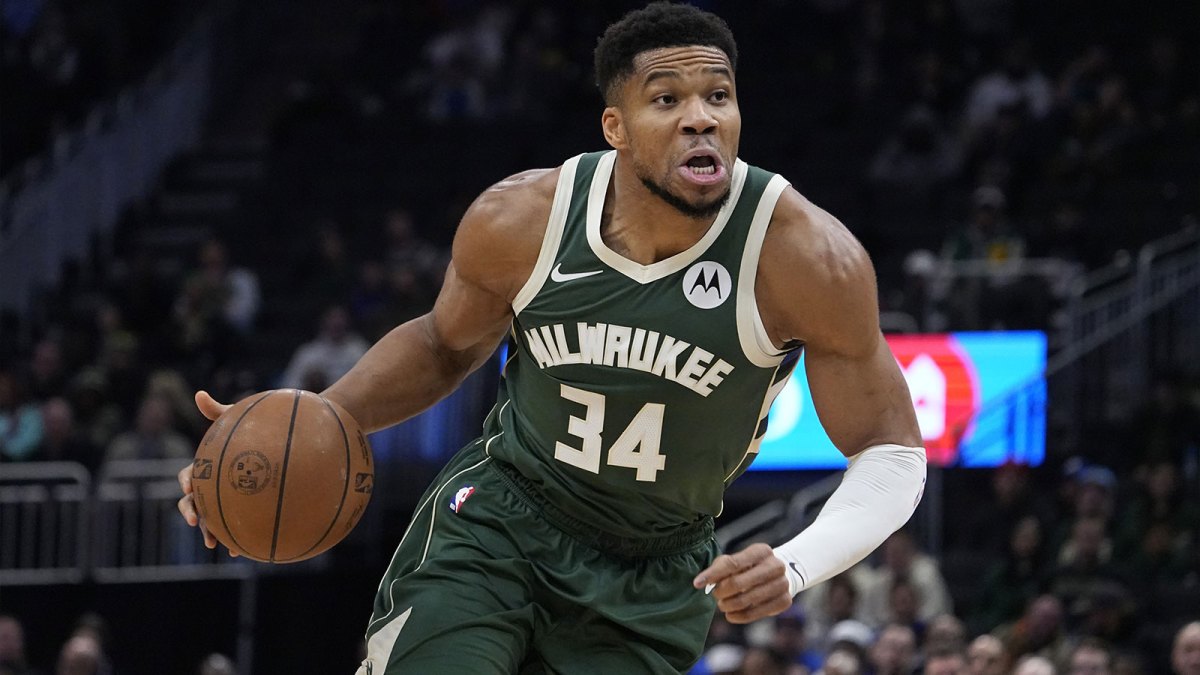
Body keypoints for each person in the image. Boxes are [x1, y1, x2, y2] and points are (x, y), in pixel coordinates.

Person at [175, 4, 926, 672]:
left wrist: (795, 565)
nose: (702, 117)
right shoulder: (523, 219)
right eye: (668, 99)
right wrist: (298, 436)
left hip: (653, 573)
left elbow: (891, 452)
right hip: (502, 521)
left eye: (718, 97)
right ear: (616, 128)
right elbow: (444, 345)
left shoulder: (805, 257)